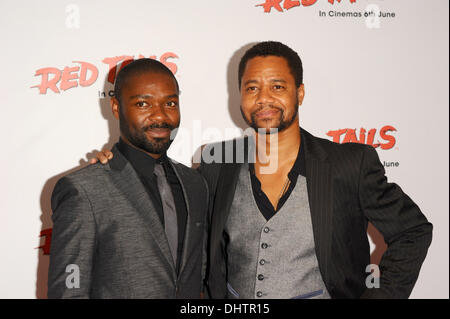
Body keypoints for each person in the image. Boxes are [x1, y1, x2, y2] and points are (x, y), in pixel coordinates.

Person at [94, 42, 433, 299]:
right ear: (239, 96)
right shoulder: (216, 163)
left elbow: (413, 231)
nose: (264, 98)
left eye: (278, 86)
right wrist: (117, 166)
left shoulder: (349, 164)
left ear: (299, 92)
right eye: (252, 87)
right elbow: (167, 196)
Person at [48, 58, 209, 298]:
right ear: (116, 107)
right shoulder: (84, 190)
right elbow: (68, 293)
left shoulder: (195, 184)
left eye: (171, 103)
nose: (160, 116)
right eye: (143, 103)